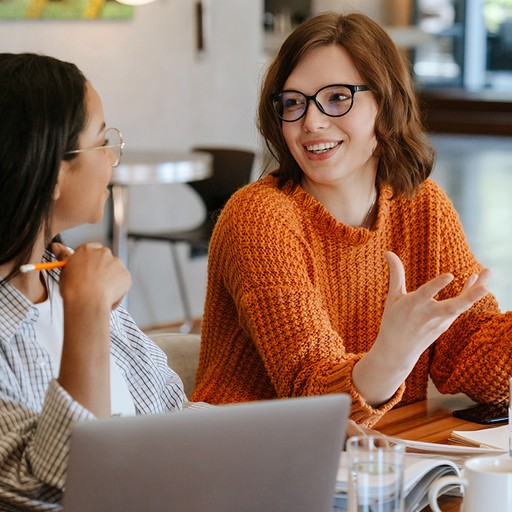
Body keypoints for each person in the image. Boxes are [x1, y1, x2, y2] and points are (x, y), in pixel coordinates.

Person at [192, 12, 512, 426]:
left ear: (386, 102)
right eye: (293, 102)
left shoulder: (421, 206)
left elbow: (473, 360)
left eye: (337, 98)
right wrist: (393, 353)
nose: (311, 122)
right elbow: (313, 397)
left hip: (382, 457)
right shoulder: (259, 218)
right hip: (247, 461)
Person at [0, 53, 188, 510]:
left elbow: (171, 413)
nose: (113, 158)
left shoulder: (68, 278)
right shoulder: (83, 295)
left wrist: (296, 429)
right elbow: (57, 492)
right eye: (102, 141)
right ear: (51, 172)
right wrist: (87, 312)